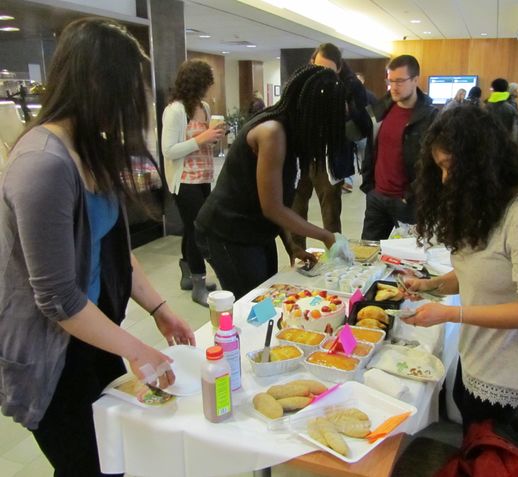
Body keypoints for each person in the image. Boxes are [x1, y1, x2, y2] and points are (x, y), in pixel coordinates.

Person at [0, 18, 194, 476]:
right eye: (124, 93)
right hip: (52, 351)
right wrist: (138, 349)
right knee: (89, 464)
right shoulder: (42, 163)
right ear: (93, 84)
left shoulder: (89, 147)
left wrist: (159, 308)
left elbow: (112, 246)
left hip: (92, 333)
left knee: (114, 454)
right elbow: (56, 297)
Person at [399, 106, 518, 432]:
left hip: (510, 366)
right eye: (440, 169)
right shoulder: (486, 202)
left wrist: (449, 314)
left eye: (450, 168)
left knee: (490, 447)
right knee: (473, 430)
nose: (446, 179)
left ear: (480, 163)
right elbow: (480, 274)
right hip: (479, 353)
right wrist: (430, 285)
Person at [195, 65, 348, 299]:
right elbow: (272, 207)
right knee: (254, 303)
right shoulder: (272, 132)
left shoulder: (291, 132)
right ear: (312, 110)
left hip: (256, 230)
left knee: (269, 294)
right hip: (226, 230)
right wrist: (326, 236)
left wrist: (292, 246)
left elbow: (279, 201)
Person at [290, 43, 372, 249]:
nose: (321, 74)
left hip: (330, 158)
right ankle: (297, 255)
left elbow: (365, 126)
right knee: (296, 207)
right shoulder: (302, 81)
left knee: (331, 213)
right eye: (317, 67)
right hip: (302, 155)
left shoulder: (351, 85)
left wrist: (347, 114)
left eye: (327, 70)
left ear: (339, 68)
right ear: (312, 62)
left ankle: (336, 257)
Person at [161, 59, 224, 306]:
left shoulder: (204, 107)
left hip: (204, 176)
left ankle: (188, 275)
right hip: (184, 180)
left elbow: (205, 142)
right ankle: (198, 282)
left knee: (192, 227)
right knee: (199, 229)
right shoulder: (176, 110)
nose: (210, 87)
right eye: (208, 82)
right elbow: (169, 150)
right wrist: (202, 139)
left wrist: (215, 136)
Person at [360, 54, 437, 241]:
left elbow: (431, 165)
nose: (394, 86)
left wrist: (411, 194)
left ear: (415, 80)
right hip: (377, 197)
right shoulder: (382, 108)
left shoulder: (430, 117)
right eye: (391, 80)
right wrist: (370, 187)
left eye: (400, 81)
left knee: (406, 260)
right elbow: (369, 145)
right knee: (367, 255)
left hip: (408, 203)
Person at [485, 77, 518, 143]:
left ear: (493, 89)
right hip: (506, 142)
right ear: (507, 88)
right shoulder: (511, 105)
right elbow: (515, 126)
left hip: (489, 141)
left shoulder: (485, 105)